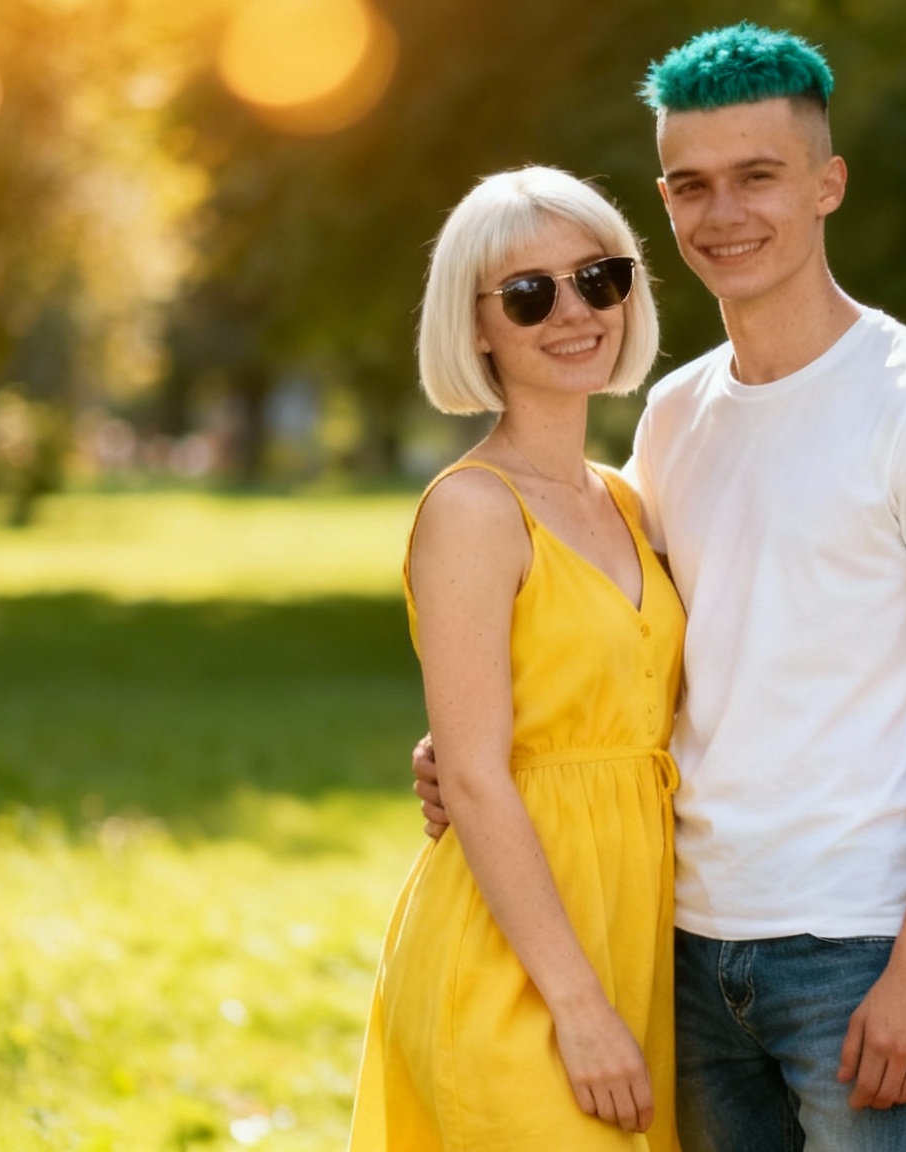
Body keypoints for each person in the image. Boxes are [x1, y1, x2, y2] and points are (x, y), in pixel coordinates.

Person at [416, 23, 906, 1149]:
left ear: (825, 185)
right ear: (664, 203)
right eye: (692, 185)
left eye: (758, 176)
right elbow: (632, 639)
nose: (725, 213)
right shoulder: (671, 418)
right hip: (681, 942)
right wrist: (477, 750)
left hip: (858, 949)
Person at [351, 166, 683, 1151]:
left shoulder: (628, 503)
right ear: (476, 326)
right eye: (530, 294)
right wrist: (577, 1009)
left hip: (638, 933)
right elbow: (481, 780)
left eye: (599, 278)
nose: (574, 311)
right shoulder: (469, 510)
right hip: (520, 958)